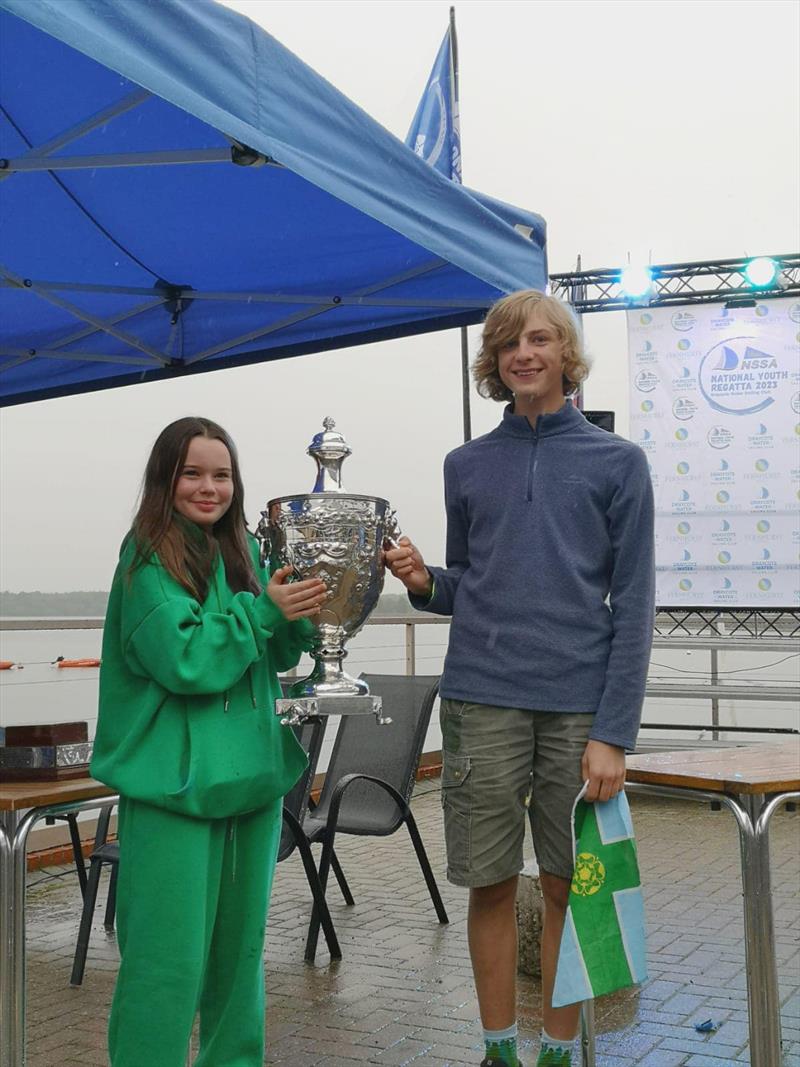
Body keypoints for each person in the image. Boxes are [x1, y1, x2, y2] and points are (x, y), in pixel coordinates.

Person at [385, 291, 655, 1067]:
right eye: (507, 345)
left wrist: (614, 732)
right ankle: (500, 1048)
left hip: (578, 710)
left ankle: (559, 1050)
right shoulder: (465, 464)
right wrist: (421, 580)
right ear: (494, 365)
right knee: (491, 883)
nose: (523, 354)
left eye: (539, 340)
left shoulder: (620, 463)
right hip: (482, 698)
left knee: (572, 885)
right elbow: (474, 583)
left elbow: (634, 604)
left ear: (566, 356)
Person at [91, 416, 327, 1067]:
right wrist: (263, 612)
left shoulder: (246, 552)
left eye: (220, 474)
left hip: (249, 782)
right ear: (165, 479)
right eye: (192, 472)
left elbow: (272, 648)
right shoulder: (145, 560)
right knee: (166, 966)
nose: (208, 486)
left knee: (238, 963)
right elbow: (185, 658)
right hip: (174, 791)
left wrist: (303, 612)